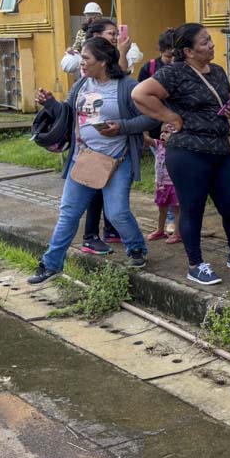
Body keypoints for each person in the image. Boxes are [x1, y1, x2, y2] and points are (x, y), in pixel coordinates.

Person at [133, 23, 230, 286]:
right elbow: (140, 94)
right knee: (193, 209)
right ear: (188, 51)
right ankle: (195, 264)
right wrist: (170, 117)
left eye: (210, 40)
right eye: (204, 42)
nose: (212, 45)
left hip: (219, 149)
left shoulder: (215, 71)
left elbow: (224, 97)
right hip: (188, 152)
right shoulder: (174, 72)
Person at [27, 37, 157, 284]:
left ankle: (136, 247)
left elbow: (152, 118)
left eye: (86, 58)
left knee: (117, 213)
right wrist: (51, 103)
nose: (81, 63)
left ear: (104, 61)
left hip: (118, 161)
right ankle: (51, 263)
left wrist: (121, 127)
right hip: (84, 159)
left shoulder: (127, 87)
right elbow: (68, 115)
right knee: (69, 213)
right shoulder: (81, 85)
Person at [79, 17, 133, 254]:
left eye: (115, 33)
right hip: (93, 147)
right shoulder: (89, 73)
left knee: (111, 198)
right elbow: (81, 107)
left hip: (115, 148)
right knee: (92, 191)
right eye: (111, 33)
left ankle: (111, 230)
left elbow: (119, 80)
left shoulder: (118, 80)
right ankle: (90, 235)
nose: (115, 37)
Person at [138, 27, 178, 140]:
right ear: (160, 51)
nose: (172, 60)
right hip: (155, 121)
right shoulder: (149, 68)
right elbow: (139, 99)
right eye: (168, 57)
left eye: (175, 56)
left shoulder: (184, 68)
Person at [146, 133, 181, 244]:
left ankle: (177, 234)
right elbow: (146, 139)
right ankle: (160, 230)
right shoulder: (159, 145)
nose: (162, 134)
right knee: (162, 210)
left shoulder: (179, 148)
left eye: (167, 132)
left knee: (177, 210)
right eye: (162, 131)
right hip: (161, 185)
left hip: (174, 184)